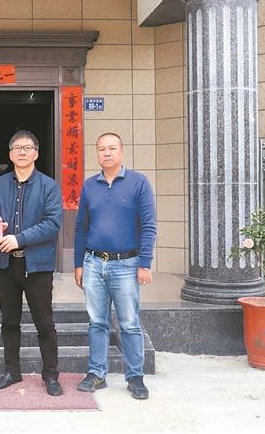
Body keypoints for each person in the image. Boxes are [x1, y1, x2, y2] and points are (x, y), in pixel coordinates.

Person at [73, 132, 156, 400]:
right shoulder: (89, 186)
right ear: (96, 153)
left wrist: (145, 263)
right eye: (101, 149)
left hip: (127, 265)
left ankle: (135, 376)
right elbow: (81, 227)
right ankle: (97, 373)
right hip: (94, 263)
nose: (106, 153)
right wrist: (78, 264)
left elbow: (148, 226)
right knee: (96, 322)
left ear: (121, 152)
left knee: (129, 323)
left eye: (111, 148)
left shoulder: (138, 183)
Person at [0, 130, 64, 397]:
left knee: (45, 323)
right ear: (10, 154)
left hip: (37, 265)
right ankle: (12, 371)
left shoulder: (49, 186)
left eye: (27, 147)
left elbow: (52, 224)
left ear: (36, 154)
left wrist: (19, 239)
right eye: (17, 147)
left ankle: (51, 375)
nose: (22, 151)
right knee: (9, 321)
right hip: (6, 264)